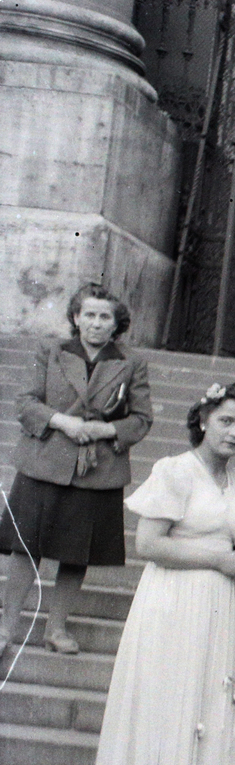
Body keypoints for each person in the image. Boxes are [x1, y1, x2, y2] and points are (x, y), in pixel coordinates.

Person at [76, 382, 235, 765]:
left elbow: (234, 534)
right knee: (171, 705)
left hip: (221, 607)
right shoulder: (175, 470)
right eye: (226, 421)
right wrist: (217, 561)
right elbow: (149, 545)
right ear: (203, 420)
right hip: (175, 600)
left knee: (206, 705)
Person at [1, 283, 152, 664]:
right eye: (89, 314)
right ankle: (5, 626)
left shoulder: (131, 363)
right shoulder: (49, 352)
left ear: (117, 323)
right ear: (75, 317)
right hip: (44, 465)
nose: (96, 324)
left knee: (76, 554)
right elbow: (25, 402)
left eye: (105, 317)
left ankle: (57, 628)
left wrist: (105, 430)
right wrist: (63, 422)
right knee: (26, 547)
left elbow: (142, 419)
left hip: (97, 471)